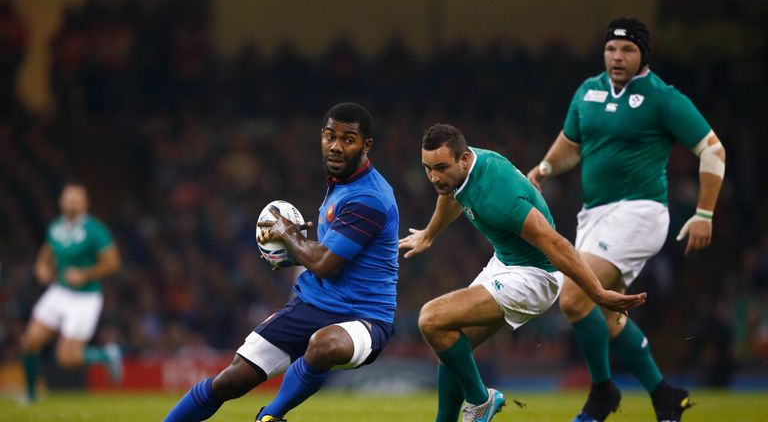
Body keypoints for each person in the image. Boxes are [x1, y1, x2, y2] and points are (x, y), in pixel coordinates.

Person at [526, 17, 726, 422]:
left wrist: (704, 213)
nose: (617, 57)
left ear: (643, 55)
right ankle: (663, 394)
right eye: (612, 50)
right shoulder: (588, 90)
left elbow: (713, 151)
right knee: (605, 313)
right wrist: (545, 168)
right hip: (595, 215)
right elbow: (571, 144)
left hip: (640, 211)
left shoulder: (664, 98)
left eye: (628, 50)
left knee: (573, 295)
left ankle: (602, 392)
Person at [163, 102, 400, 422]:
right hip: (311, 305)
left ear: (366, 145)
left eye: (348, 139)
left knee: (323, 345)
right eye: (330, 136)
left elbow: (326, 264)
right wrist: (298, 247)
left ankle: (270, 416)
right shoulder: (341, 184)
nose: (335, 146)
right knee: (230, 380)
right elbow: (333, 255)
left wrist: (289, 235)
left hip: (366, 317)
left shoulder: (369, 197)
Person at [399, 123, 646, 422]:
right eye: (428, 168)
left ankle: (480, 401)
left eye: (440, 167)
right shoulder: (464, 169)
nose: (435, 177)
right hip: (504, 263)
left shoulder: (499, 198)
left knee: (431, 319)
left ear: (463, 159)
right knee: (450, 345)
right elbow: (450, 193)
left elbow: (555, 242)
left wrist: (597, 292)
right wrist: (429, 233)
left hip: (533, 277)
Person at [20, 182, 123, 402]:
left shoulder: (95, 230)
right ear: (61, 202)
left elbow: (112, 263)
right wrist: (41, 268)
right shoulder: (56, 227)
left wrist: (85, 274)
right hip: (59, 292)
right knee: (30, 341)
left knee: (66, 358)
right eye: (69, 197)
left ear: (86, 203)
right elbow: (46, 253)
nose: (72, 201)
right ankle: (31, 396)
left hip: (85, 298)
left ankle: (106, 355)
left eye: (77, 198)